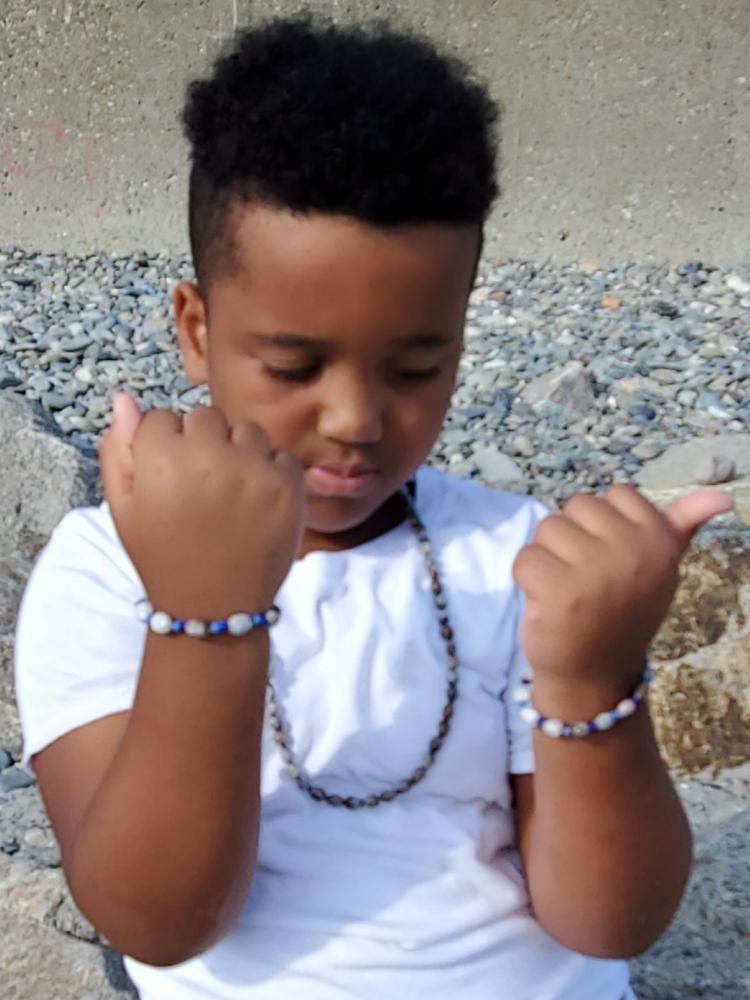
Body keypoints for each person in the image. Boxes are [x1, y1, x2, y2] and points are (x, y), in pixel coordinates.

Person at [14, 16, 732, 1000]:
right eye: (294, 366)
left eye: (415, 368)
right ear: (197, 328)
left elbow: (609, 922)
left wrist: (595, 679)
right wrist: (203, 614)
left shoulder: (517, 559)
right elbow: (158, 922)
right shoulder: (109, 568)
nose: (355, 419)